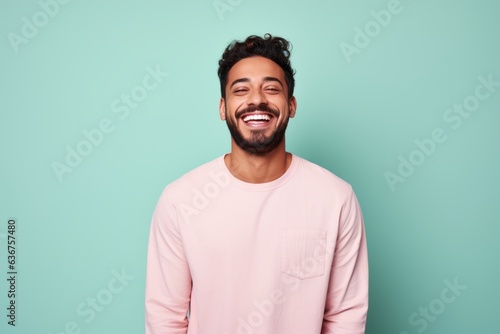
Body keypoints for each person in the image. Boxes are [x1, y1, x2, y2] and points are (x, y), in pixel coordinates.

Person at [145, 33, 368, 334]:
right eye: (241, 89)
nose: (257, 99)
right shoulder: (180, 200)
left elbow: (346, 317)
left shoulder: (336, 198)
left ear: (291, 105)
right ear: (223, 107)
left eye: (271, 88)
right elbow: (165, 318)